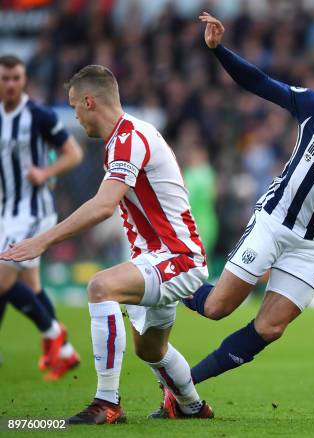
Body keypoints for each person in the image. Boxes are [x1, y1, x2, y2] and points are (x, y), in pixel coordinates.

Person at [160, 12, 314, 413]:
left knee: (271, 327)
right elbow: (259, 82)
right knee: (217, 308)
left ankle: (183, 386)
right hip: (275, 223)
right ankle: (158, 284)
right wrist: (218, 49)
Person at [0, 65, 213, 424]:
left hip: (176, 257)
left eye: (74, 108)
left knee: (101, 287)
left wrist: (42, 240)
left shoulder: (129, 138)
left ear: (88, 101)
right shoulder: (124, 138)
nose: (75, 117)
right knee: (151, 349)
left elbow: (103, 206)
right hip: (159, 256)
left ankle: (107, 402)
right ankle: (191, 405)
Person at [0, 54, 82, 380]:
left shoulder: (38, 115)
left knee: (2, 280)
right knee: (30, 286)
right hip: (7, 212)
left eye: (15, 78)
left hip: (34, 212)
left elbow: (73, 154)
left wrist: (45, 171)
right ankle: (65, 352)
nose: (10, 85)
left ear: (24, 80)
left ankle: (53, 334)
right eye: (4, 79)